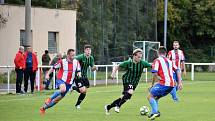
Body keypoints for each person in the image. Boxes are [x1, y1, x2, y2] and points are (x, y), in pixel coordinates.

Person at [104, 48, 151, 115]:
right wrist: (113, 74)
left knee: (125, 97)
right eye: (138, 57)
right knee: (130, 92)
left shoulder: (143, 63)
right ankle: (118, 106)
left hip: (135, 82)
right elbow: (118, 66)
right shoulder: (128, 63)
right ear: (134, 56)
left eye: (141, 57)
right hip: (127, 80)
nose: (140, 58)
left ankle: (108, 107)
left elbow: (152, 66)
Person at [40, 49, 81, 114]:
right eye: (72, 55)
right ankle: (49, 98)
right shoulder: (62, 61)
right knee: (63, 89)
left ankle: (43, 108)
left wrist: (79, 75)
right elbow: (53, 67)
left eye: (74, 55)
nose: (73, 56)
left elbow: (79, 71)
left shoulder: (76, 62)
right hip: (61, 79)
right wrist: (47, 74)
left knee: (57, 100)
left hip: (69, 83)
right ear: (68, 55)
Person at [147, 46, 183, 120]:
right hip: (172, 85)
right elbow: (178, 70)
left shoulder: (157, 60)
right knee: (156, 97)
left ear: (158, 52)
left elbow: (154, 74)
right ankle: (153, 113)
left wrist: (152, 84)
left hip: (164, 84)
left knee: (150, 96)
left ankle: (156, 112)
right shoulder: (170, 61)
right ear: (166, 53)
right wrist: (180, 83)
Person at [73, 45, 97, 109]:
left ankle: (77, 104)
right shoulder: (80, 57)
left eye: (90, 49)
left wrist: (95, 68)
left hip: (85, 76)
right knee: (82, 90)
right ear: (85, 50)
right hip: (78, 76)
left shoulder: (91, 58)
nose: (89, 51)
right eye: (87, 49)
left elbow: (92, 68)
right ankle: (74, 87)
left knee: (84, 91)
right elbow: (73, 61)